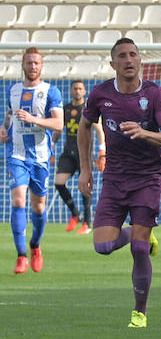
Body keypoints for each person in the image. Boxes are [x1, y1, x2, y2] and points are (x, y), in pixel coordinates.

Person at [78, 38, 161, 329]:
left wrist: (145, 133)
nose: (129, 59)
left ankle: (140, 312)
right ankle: (142, 233)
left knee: (138, 249)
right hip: (114, 179)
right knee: (104, 246)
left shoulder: (155, 94)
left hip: (147, 178)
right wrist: (85, 170)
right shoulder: (100, 94)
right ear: (113, 64)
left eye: (133, 54)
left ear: (140, 60)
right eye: (122, 55)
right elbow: (85, 127)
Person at [1, 47, 63, 274]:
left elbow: (58, 124)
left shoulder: (50, 91)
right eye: (29, 63)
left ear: (41, 66)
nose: (33, 66)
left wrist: (33, 119)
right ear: (23, 65)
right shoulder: (13, 90)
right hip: (16, 154)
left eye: (36, 63)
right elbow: (10, 113)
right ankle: (21, 255)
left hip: (40, 158)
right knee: (18, 201)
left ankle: (35, 246)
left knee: (38, 206)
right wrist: (4, 128)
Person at [52, 80, 105, 236]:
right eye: (74, 88)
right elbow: (58, 130)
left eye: (80, 88)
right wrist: (52, 147)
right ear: (70, 91)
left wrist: (102, 153)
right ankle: (75, 213)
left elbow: (100, 131)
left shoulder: (89, 109)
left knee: (85, 188)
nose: (77, 91)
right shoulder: (66, 109)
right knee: (59, 183)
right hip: (68, 153)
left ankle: (87, 224)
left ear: (84, 91)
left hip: (85, 155)